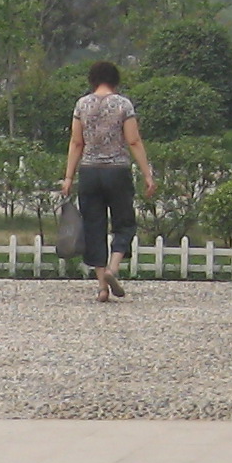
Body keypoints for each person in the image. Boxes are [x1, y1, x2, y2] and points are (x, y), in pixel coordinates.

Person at [59, 59, 156, 302]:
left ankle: (102, 287)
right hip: (117, 171)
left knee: (94, 227)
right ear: (115, 79)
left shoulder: (82, 105)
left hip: (89, 172)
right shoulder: (123, 104)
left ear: (92, 79)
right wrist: (147, 174)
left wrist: (68, 177)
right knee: (124, 223)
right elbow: (133, 141)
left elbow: (76, 142)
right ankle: (113, 268)